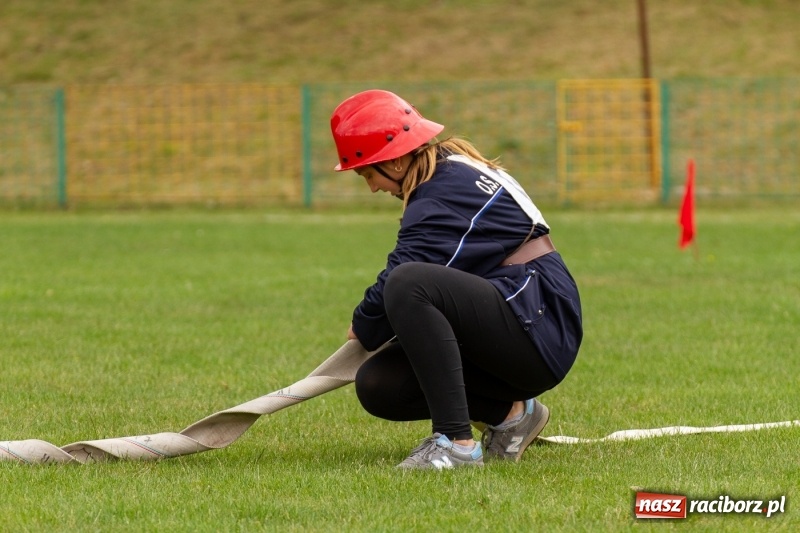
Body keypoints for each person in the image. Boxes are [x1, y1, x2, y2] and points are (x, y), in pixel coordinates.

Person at [330, 89, 583, 470]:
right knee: (379, 385)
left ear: (396, 161)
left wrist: (364, 325)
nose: (372, 187)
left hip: (539, 323)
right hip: (524, 311)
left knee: (407, 282)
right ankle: (512, 415)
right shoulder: (448, 169)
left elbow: (404, 270)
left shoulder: (443, 191)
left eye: (369, 172)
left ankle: (456, 445)